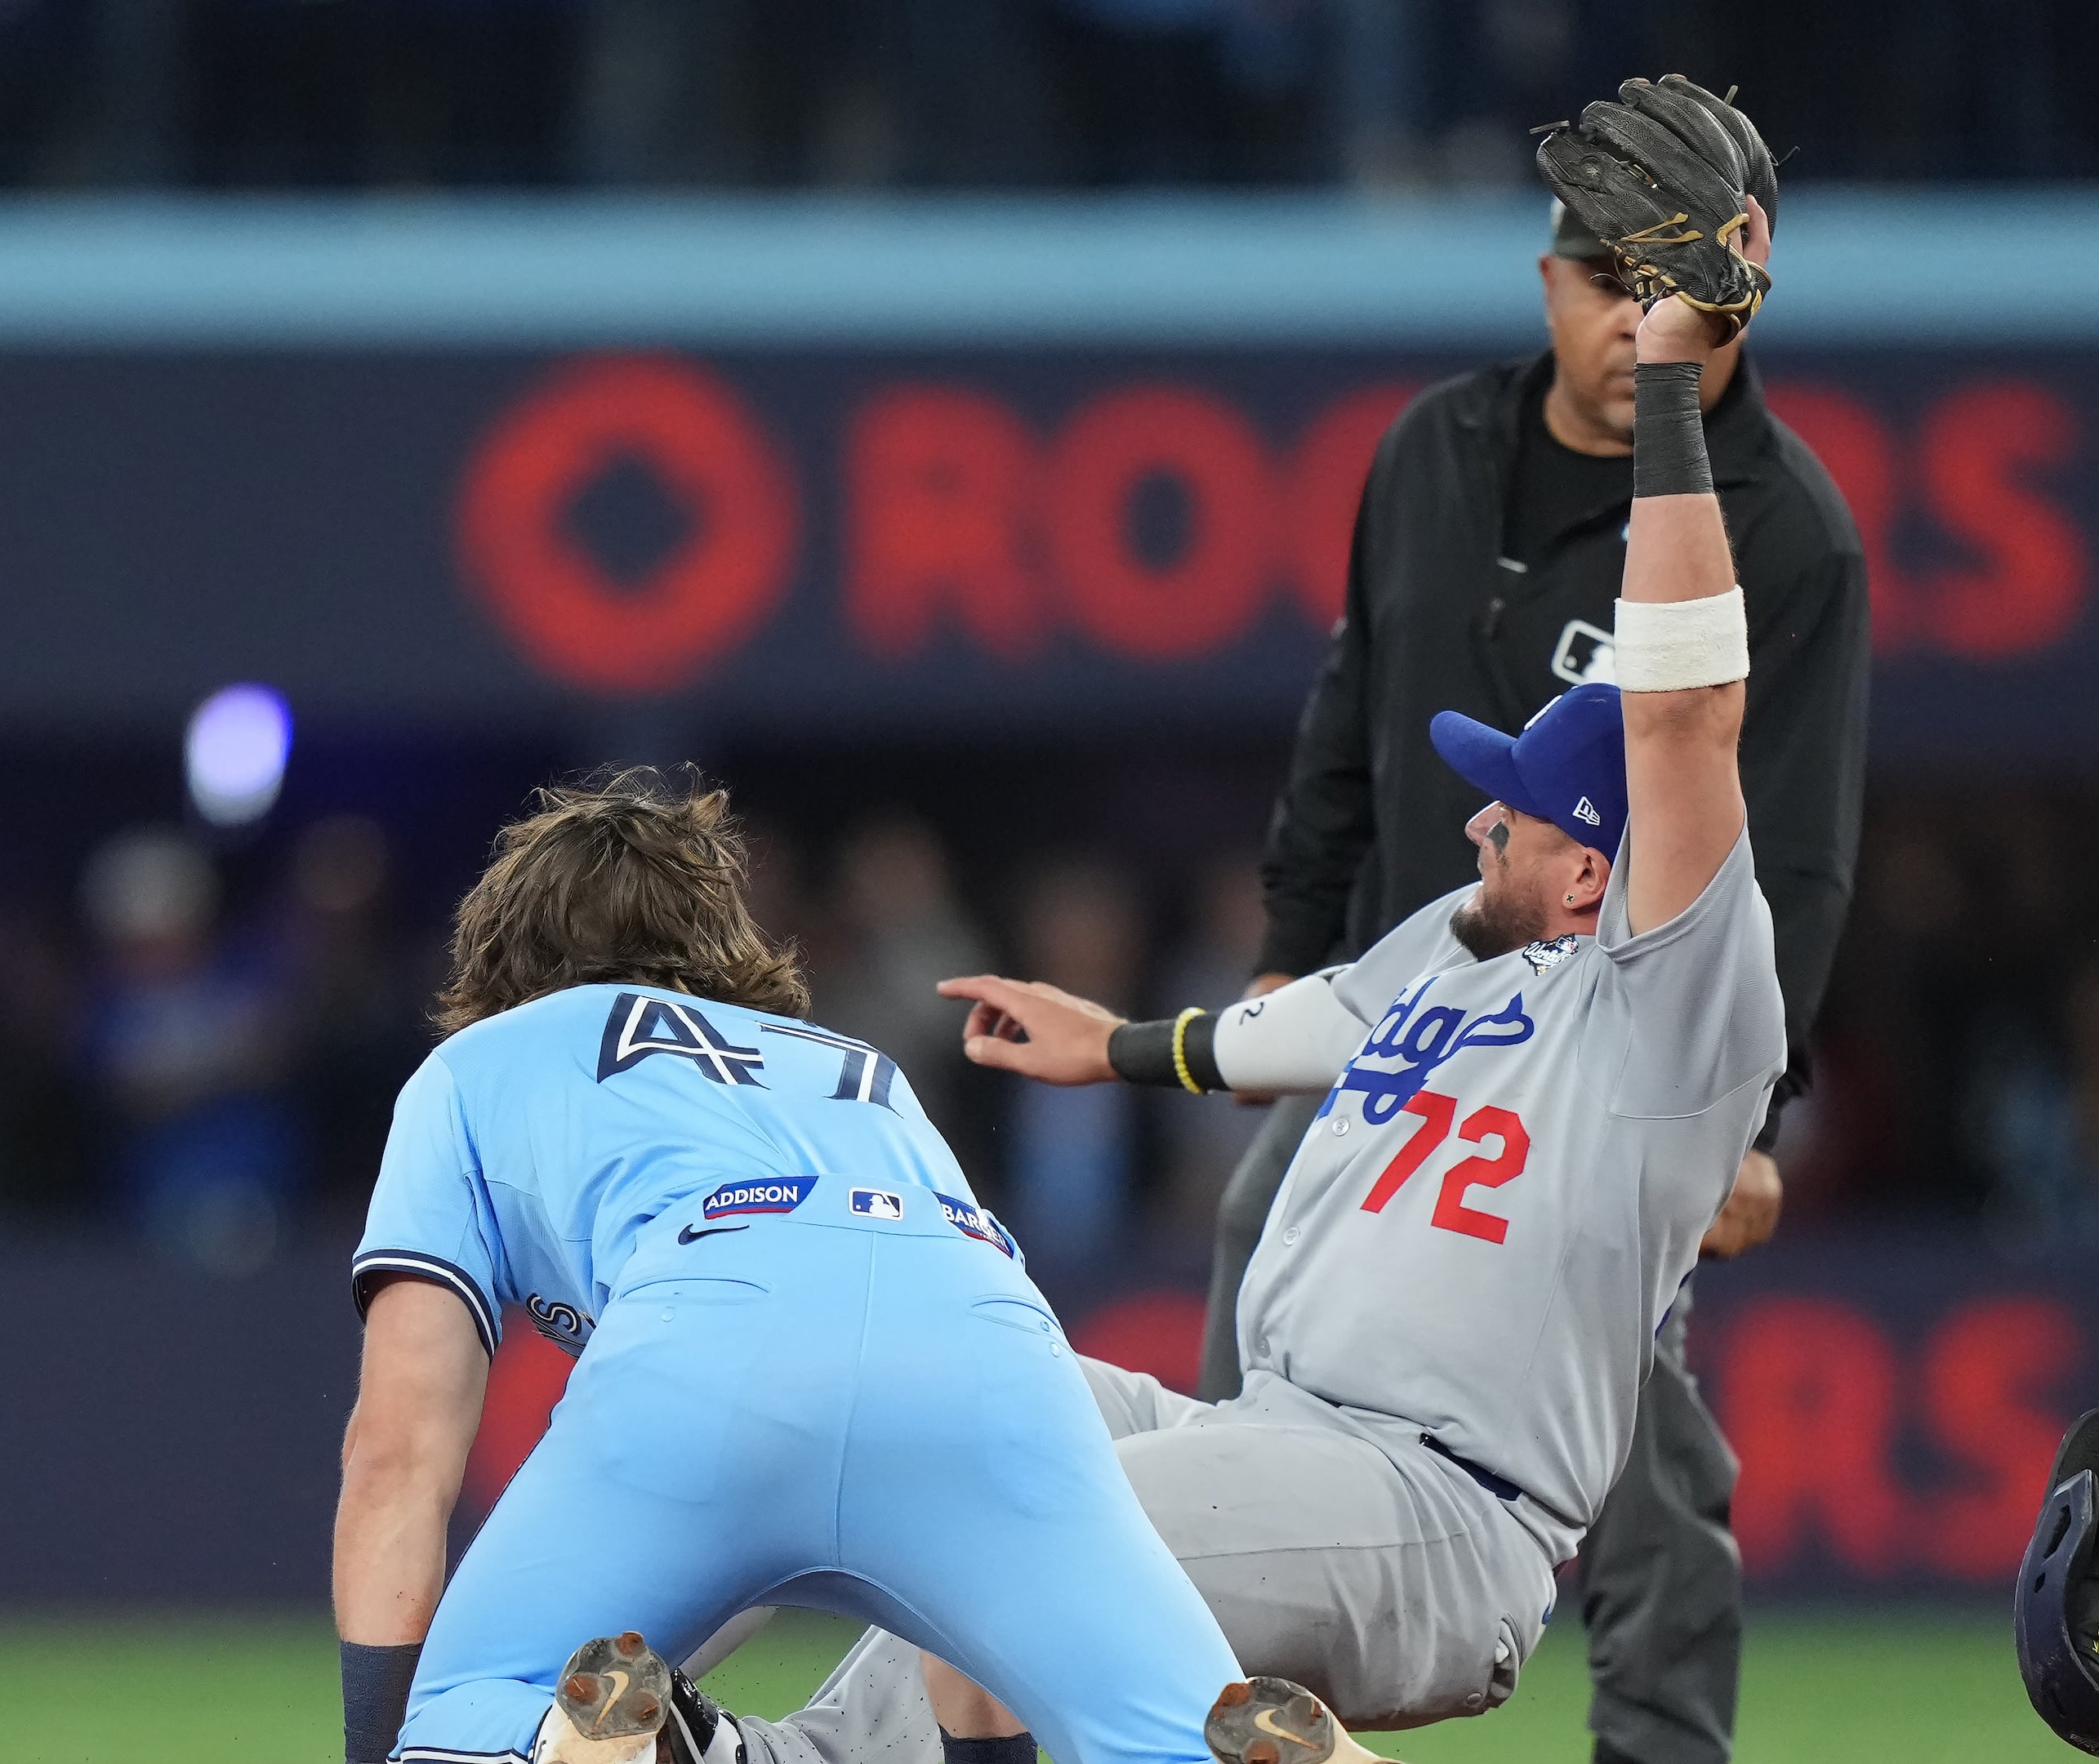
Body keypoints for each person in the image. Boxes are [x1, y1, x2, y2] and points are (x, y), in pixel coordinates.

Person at [722, 286, 1783, 1764]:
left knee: (1022, 1551)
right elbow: (1308, 1029)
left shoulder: (1668, 1015)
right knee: (897, 1394)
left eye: (1521, 811)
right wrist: (1117, 1046)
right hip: (1259, 1433)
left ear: (1598, 866)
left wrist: (1670, 389)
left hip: (1433, 1501)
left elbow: (1688, 719)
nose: (1482, 816)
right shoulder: (1457, 951)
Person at [1226, 112, 1868, 1764]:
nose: (1609, 311)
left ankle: (1661, 1752)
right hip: (1392, 1033)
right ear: (1546, 279)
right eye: (1591, 273)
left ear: (1722, 298)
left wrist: (1740, 1108)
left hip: (1594, 1089)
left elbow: (1788, 849)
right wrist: (1290, 952)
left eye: (1643, 279)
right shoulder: (1431, 445)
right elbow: (1347, 712)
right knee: (1257, 1387)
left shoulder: (1778, 528)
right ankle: (1225, 1709)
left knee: (1636, 1480)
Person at [331, 768, 1353, 1764]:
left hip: (709, 1351)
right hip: (994, 1363)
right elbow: (974, 1652)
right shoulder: (859, 1071)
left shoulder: (479, 1062)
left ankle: (566, 1745)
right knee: (1189, 1726)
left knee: (477, 1710)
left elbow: (399, 1454)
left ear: (500, 955)